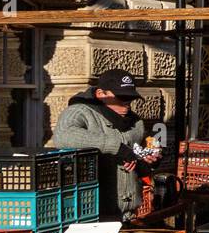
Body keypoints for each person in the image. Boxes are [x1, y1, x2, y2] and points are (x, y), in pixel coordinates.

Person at [48, 69, 161, 220]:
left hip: (129, 214)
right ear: (101, 93)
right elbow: (64, 136)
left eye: (130, 99)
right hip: (91, 214)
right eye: (121, 98)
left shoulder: (136, 122)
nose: (126, 104)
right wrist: (117, 147)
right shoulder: (80, 111)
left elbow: (137, 155)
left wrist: (147, 160)